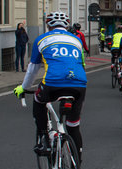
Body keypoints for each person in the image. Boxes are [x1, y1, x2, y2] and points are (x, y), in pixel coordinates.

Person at [14, 12, 87, 161]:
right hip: (79, 83)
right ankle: (77, 162)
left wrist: (23, 87)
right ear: (67, 25)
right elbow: (81, 63)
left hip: (53, 83)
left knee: (38, 100)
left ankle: (44, 140)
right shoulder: (76, 40)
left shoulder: (42, 39)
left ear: (48, 25)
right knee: (73, 126)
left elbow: (33, 68)